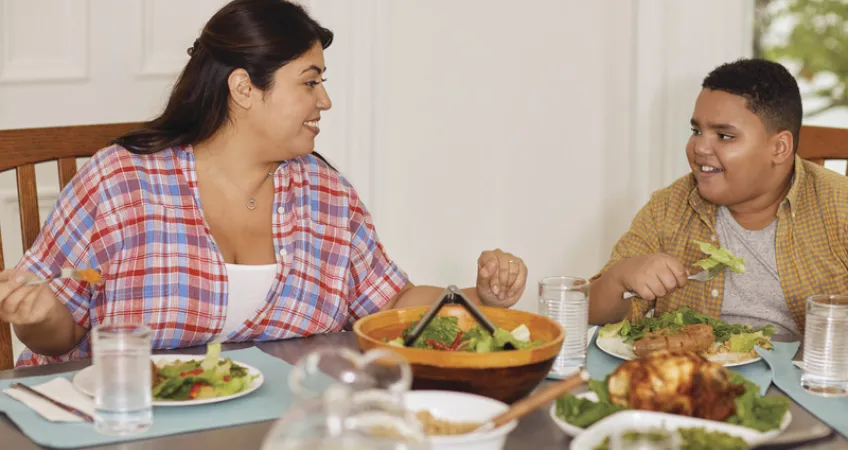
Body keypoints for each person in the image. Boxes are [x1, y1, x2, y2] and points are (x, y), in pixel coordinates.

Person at [0, 0, 528, 367]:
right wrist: (39, 315)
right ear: (244, 89)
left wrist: (479, 299)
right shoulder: (120, 182)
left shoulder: (325, 193)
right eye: (310, 82)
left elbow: (393, 302)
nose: (325, 102)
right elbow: (55, 331)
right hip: (128, 426)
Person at [588, 58, 848, 337]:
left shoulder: (839, 206)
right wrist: (620, 277)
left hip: (806, 376)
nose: (700, 147)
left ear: (779, 148)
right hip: (691, 375)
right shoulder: (668, 208)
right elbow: (590, 311)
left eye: (724, 136)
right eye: (696, 131)